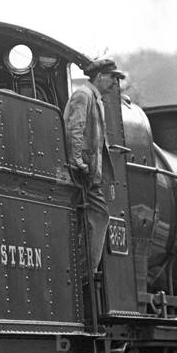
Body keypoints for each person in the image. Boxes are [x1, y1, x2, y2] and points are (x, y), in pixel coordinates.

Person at [63, 57, 126, 274]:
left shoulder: (94, 98)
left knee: (94, 217)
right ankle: (83, 272)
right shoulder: (83, 95)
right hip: (84, 172)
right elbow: (75, 127)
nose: (115, 84)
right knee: (99, 215)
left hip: (91, 174)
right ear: (100, 76)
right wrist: (77, 160)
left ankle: (85, 269)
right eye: (113, 78)